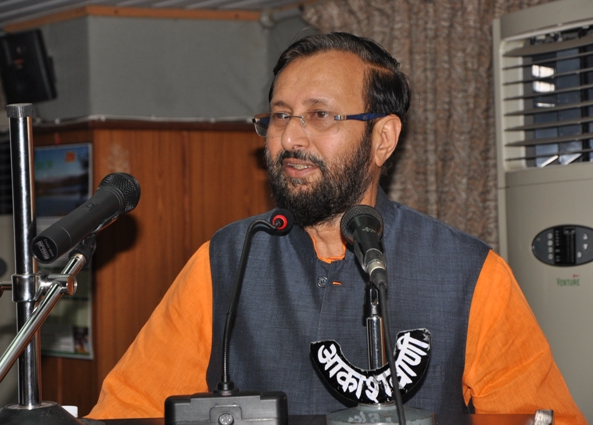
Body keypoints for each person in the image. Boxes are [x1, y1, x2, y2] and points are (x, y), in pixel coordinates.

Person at [86, 32, 586, 423]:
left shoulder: (468, 273)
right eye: (280, 116)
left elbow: (540, 419)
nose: (290, 137)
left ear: (383, 139)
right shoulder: (226, 259)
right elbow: (128, 412)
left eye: (319, 115)